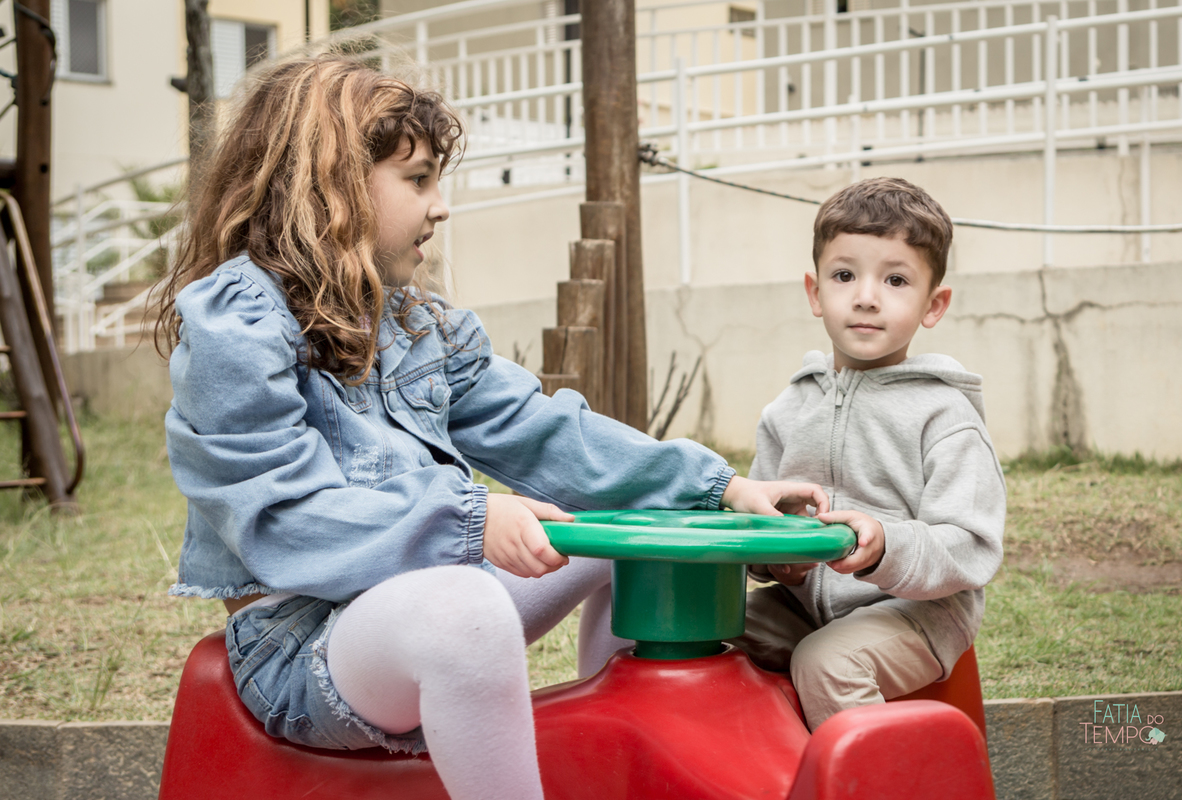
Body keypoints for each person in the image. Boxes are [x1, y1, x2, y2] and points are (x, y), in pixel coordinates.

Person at [155, 55, 828, 800]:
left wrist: (721, 488)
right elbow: (284, 522)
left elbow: (544, 432)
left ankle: (621, 769)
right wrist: (471, 521)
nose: (440, 206)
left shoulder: (416, 323)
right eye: (417, 181)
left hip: (435, 597)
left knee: (640, 531)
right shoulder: (238, 328)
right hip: (307, 644)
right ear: (331, 187)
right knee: (464, 611)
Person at [729, 177, 1006, 732]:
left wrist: (885, 546)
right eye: (844, 275)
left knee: (827, 661)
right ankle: (760, 777)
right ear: (814, 292)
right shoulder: (788, 409)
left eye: (896, 279)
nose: (866, 295)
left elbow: (971, 547)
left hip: (919, 614)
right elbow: (754, 523)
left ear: (934, 305)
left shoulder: (944, 416)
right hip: (804, 606)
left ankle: (875, 781)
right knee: (706, 628)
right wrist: (777, 560)